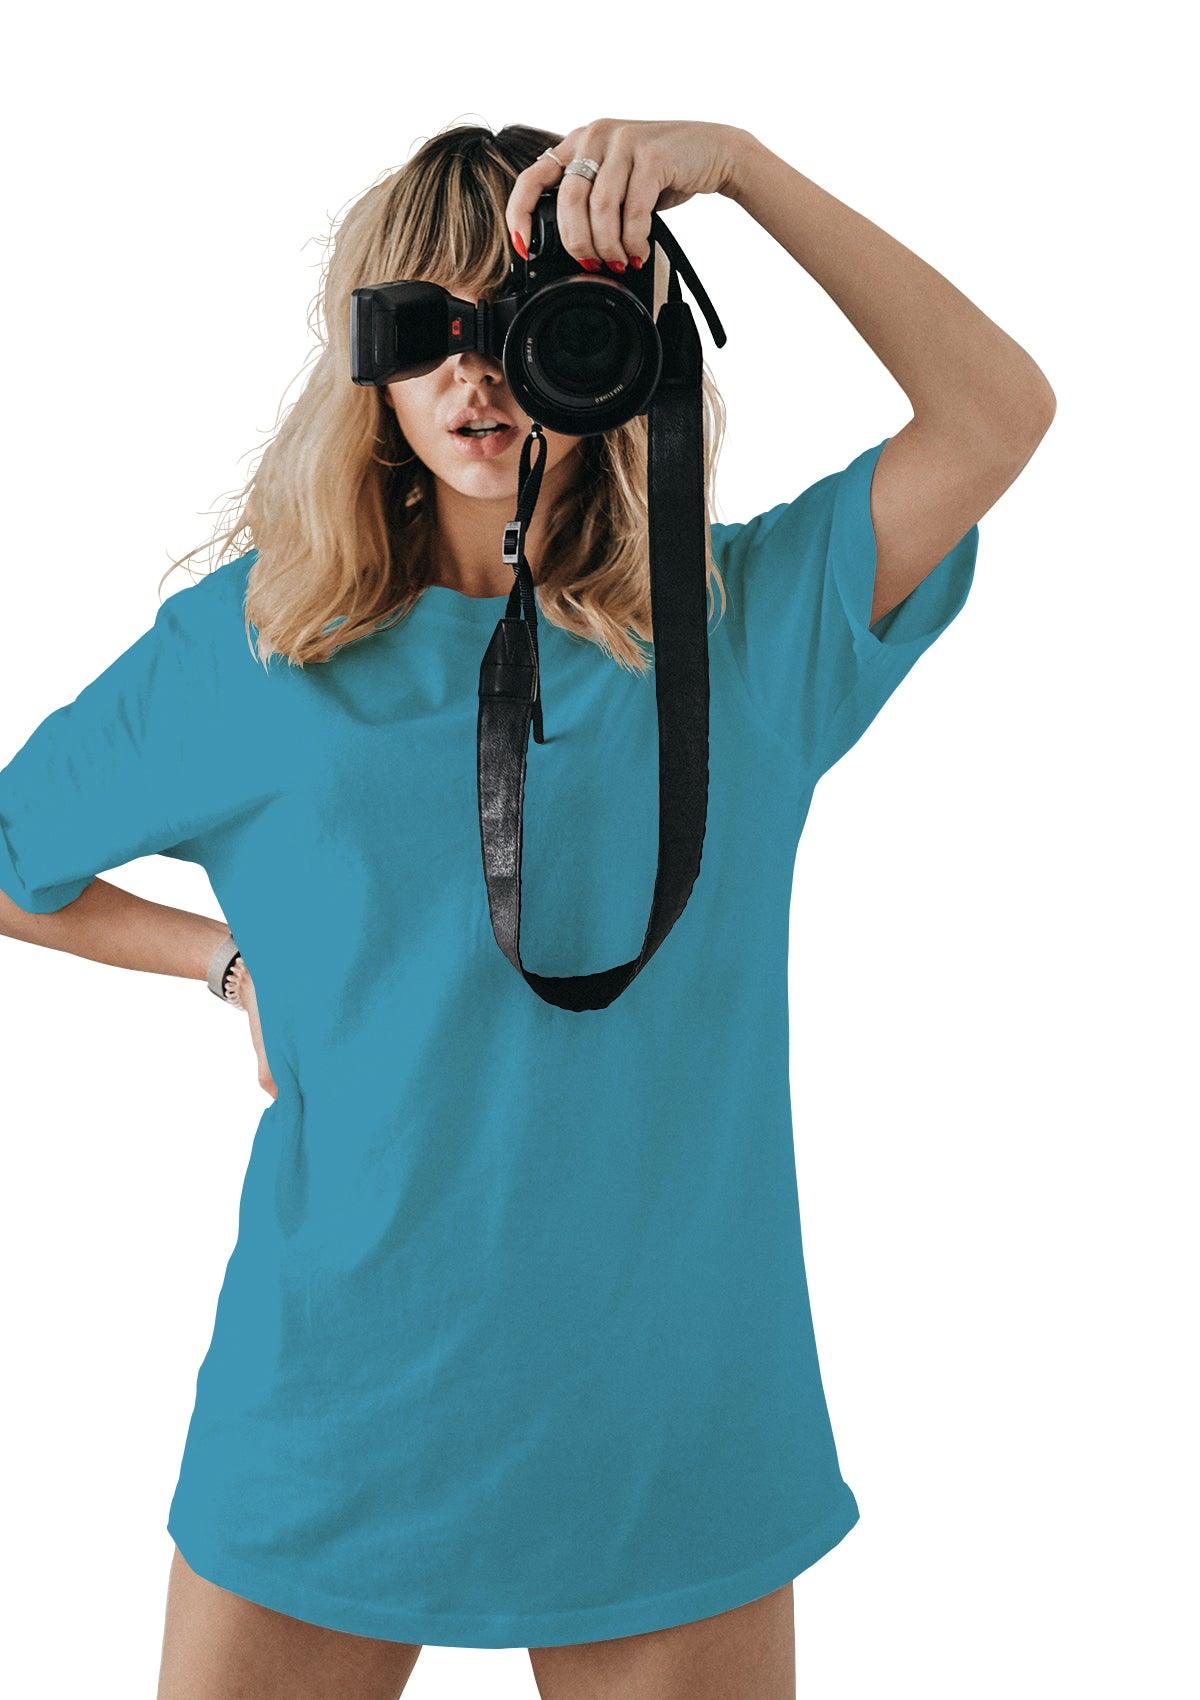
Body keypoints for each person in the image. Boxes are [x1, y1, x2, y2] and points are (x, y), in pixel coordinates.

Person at [0, 118, 1054, 1700]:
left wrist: (741, 171)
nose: (475, 371)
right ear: (364, 360)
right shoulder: (257, 650)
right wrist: (222, 961)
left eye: (520, 317)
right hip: (334, 1415)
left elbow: (997, 414)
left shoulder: (738, 635)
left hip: (669, 1431)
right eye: (427, 324)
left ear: (618, 346)